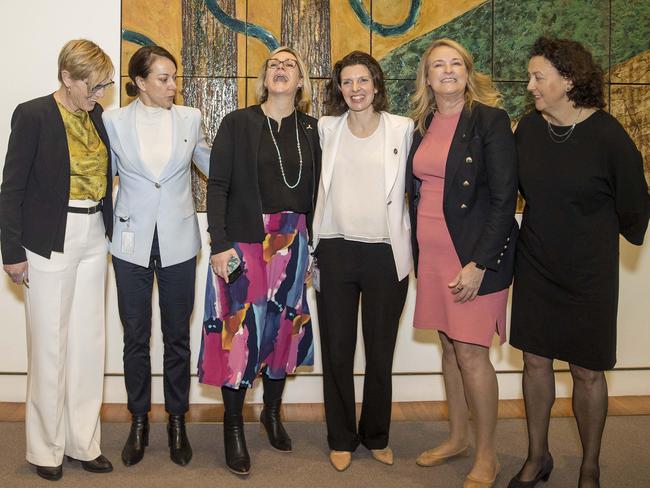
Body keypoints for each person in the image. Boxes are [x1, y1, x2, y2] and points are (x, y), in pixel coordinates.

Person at [508, 37, 649, 488]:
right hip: (536, 264)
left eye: (538, 77)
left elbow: (634, 205)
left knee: (587, 371)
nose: (530, 85)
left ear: (568, 80)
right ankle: (537, 457)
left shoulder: (608, 135)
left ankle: (590, 466)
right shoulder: (528, 130)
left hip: (590, 273)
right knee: (534, 362)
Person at [198, 46, 320, 475]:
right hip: (244, 242)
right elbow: (218, 186)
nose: (280, 69)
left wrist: (313, 249)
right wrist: (219, 245)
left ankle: (271, 412)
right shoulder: (238, 123)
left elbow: (320, 194)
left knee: (283, 328)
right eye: (274, 64)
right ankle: (234, 426)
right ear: (264, 78)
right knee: (239, 331)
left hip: (294, 241)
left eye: (290, 65)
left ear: (301, 81)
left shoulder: (312, 129)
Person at [0, 39, 115, 481]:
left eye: (103, 86)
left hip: (94, 236)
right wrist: (11, 252)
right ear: (67, 78)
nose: (99, 95)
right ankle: (45, 449)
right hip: (49, 238)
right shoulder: (32, 115)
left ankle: (83, 441)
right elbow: (11, 188)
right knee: (50, 346)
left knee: (89, 344)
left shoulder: (98, 117)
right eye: (93, 86)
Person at [406, 38, 518, 488]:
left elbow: (504, 198)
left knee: (472, 353)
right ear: (427, 78)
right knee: (449, 348)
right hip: (431, 254)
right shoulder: (422, 123)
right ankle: (456, 438)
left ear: (468, 73)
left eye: (456, 64)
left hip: (472, 257)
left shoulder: (490, 120)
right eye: (438, 65)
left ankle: (487, 455)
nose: (448, 71)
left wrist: (479, 264)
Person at [102, 45, 210, 467]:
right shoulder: (113, 121)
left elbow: (212, 165)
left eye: (174, 77)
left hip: (179, 241)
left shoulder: (190, 118)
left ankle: (177, 421)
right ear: (140, 82)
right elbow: (101, 178)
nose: (172, 85)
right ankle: (139, 420)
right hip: (130, 243)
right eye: (163, 78)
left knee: (177, 337)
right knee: (135, 337)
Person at [312, 50, 413, 472]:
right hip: (334, 250)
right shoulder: (326, 128)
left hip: (385, 254)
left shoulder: (403, 128)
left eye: (363, 80)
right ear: (339, 89)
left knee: (379, 351)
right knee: (337, 350)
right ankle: (340, 436)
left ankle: (376, 434)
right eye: (347, 81)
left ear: (376, 84)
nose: (355, 89)